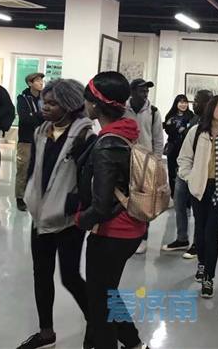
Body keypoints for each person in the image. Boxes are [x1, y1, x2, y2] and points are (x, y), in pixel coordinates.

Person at [18, 79, 95, 349]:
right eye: (45, 102)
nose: (45, 107)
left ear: (71, 105)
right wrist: (29, 194)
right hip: (40, 217)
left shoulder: (86, 137)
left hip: (68, 220)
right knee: (41, 274)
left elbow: (89, 183)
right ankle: (46, 333)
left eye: (53, 103)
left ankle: (97, 325)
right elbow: (34, 168)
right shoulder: (41, 132)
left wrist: (72, 205)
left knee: (70, 277)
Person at [76, 72, 149, 349]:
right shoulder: (128, 133)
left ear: (96, 104)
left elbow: (102, 204)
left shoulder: (107, 143)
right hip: (132, 227)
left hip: (111, 233)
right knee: (107, 294)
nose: (85, 105)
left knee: (100, 308)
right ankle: (133, 342)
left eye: (87, 99)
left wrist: (80, 219)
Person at [177, 96, 218, 298]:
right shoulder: (196, 132)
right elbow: (184, 159)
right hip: (199, 188)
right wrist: (190, 178)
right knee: (200, 230)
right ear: (211, 108)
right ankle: (202, 264)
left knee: (211, 234)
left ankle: (208, 277)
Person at [163, 89, 212, 258]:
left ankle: (198, 244)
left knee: (199, 210)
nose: (193, 103)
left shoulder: (211, 124)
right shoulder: (193, 119)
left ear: (206, 103)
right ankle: (182, 238)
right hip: (184, 169)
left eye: (197, 100)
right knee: (179, 203)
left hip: (200, 172)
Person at [125, 78, 164, 255]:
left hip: (145, 163)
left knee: (144, 200)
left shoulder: (154, 112)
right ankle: (127, 233)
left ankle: (143, 237)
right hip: (125, 160)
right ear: (132, 92)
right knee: (125, 198)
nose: (145, 94)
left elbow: (158, 138)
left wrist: (157, 161)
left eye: (147, 91)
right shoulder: (122, 110)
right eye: (142, 91)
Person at [15, 73, 45, 212]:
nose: (41, 83)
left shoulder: (45, 98)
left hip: (43, 137)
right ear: (30, 83)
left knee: (39, 168)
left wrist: (36, 114)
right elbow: (25, 118)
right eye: (37, 80)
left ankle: (36, 197)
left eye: (41, 80)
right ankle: (20, 198)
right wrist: (39, 117)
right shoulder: (23, 99)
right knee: (24, 168)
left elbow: (48, 116)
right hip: (26, 138)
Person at [163, 94, 194, 198]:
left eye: (185, 102)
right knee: (172, 172)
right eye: (181, 102)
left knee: (184, 171)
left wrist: (184, 130)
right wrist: (174, 128)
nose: (183, 104)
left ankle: (185, 197)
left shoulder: (190, 115)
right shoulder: (170, 115)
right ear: (176, 103)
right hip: (173, 148)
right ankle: (173, 194)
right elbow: (168, 131)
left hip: (185, 147)